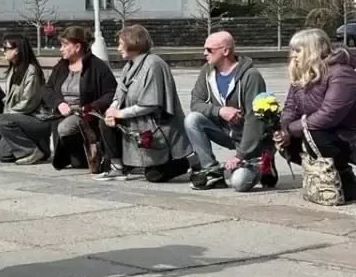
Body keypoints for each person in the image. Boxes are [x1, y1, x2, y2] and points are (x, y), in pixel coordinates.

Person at [0, 26, 116, 168]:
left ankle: (88, 150)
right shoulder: (61, 66)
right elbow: (48, 90)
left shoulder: (96, 66)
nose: (61, 49)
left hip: (82, 115)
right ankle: (45, 146)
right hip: (57, 115)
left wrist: (91, 107)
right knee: (2, 153)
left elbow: (111, 92)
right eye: (61, 45)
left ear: (77, 47)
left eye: (65, 45)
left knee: (68, 134)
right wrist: (58, 103)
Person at [95, 25, 194, 183]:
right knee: (105, 123)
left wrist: (120, 113)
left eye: (121, 43)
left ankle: (190, 162)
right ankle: (117, 166)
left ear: (133, 43)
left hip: (157, 127)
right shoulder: (129, 66)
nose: (118, 48)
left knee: (154, 176)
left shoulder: (153, 64)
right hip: (137, 122)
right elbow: (120, 93)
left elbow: (150, 104)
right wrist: (112, 109)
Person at [274, 28, 356, 201]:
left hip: (348, 136)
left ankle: (343, 177)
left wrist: (292, 129)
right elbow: (290, 107)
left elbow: (329, 115)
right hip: (325, 133)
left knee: (312, 132)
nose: (293, 55)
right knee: (285, 140)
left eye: (298, 51)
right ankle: (332, 178)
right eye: (292, 51)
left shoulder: (340, 73)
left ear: (312, 51)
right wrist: (284, 130)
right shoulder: (302, 73)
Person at [185, 30, 272, 192]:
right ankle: (212, 171)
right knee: (192, 120)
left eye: (209, 50)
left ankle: (265, 164)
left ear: (225, 51)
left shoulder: (251, 76)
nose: (205, 53)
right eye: (204, 49)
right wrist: (219, 111)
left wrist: (240, 156)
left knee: (239, 183)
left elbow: (256, 120)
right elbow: (195, 103)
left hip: (251, 139)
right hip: (227, 132)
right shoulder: (207, 71)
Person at [0, 35, 44, 162]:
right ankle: (40, 147)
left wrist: (9, 113)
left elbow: (30, 102)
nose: (3, 51)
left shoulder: (31, 71)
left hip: (33, 117)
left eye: (7, 48)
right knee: (2, 154)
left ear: (17, 50)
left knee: (0, 120)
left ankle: (31, 151)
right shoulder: (13, 70)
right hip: (17, 116)